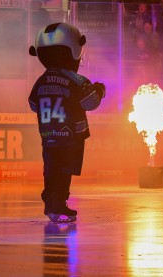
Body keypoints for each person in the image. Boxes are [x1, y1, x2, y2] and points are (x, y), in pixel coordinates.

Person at [28, 23, 106, 222]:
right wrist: (100, 90)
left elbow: (33, 104)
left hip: (48, 135)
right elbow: (90, 103)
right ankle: (57, 206)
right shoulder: (76, 80)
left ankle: (52, 202)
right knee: (64, 171)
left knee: (51, 169)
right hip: (70, 136)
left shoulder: (41, 80)